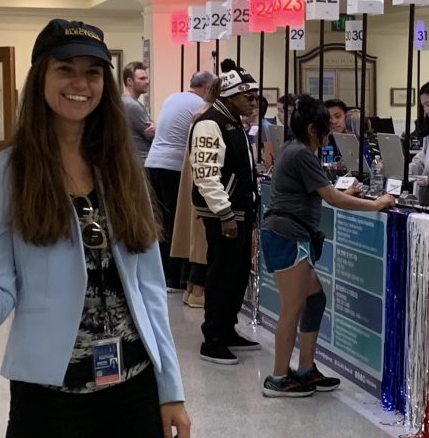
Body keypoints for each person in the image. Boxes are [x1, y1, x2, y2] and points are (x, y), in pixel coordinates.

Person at [0, 18, 190, 438]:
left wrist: (171, 391)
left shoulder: (124, 169)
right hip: (50, 400)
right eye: (65, 69)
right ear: (40, 78)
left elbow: (150, 291)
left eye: (92, 72)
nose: (80, 83)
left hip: (134, 389)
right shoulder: (3, 175)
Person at [261, 95, 395, 397]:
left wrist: (346, 192)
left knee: (315, 300)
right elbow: (331, 198)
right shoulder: (302, 154)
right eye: (326, 127)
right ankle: (279, 378)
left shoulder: (293, 150)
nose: (330, 132)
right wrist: (375, 203)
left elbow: (321, 191)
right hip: (287, 236)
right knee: (292, 308)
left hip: (292, 235)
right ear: (313, 129)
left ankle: (306, 369)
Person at [189, 66, 260, 365]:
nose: (254, 103)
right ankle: (213, 338)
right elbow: (206, 174)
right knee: (222, 273)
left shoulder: (232, 122)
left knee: (238, 272)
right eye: (249, 98)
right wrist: (225, 213)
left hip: (240, 210)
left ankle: (227, 328)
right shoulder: (210, 123)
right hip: (225, 214)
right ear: (231, 97)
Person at [146, 70, 217, 294]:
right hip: (174, 167)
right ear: (207, 88)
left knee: (160, 222)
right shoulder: (200, 106)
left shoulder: (172, 98)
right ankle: (174, 278)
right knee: (176, 223)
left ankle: (160, 274)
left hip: (153, 162)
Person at [121, 61, 154, 166]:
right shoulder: (132, 105)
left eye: (147, 78)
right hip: (141, 162)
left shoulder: (125, 101)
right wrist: (157, 127)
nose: (147, 81)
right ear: (130, 81)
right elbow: (152, 135)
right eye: (142, 79)